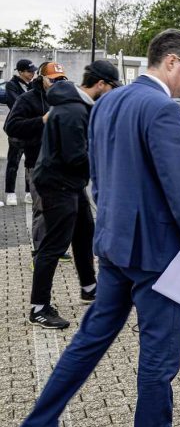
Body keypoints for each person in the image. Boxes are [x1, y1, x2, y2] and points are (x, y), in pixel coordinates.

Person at [11, 29, 180, 427]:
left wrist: (108, 223)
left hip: (115, 245)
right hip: (155, 254)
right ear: (172, 62)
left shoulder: (108, 102)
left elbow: (99, 173)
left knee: (90, 339)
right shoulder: (162, 109)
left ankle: (39, 424)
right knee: (160, 351)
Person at [26, 60, 120, 329]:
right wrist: (106, 156)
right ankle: (39, 307)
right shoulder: (72, 111)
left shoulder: (79, 107)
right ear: (100, 84)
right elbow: (74, 157)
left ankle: (89, 287)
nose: (113, 93)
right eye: (112, 87)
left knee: (83, 233)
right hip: (57, 184)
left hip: (71, 183)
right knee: (53, 245)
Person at [5, 62, 66, 208]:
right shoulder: (27, 98)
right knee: (42, 212)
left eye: (60, 80)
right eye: (52, 80)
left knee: (61, 211)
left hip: (61, 164)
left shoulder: (64, 97)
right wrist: (42, 120)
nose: (56, 84)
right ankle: (11, 192)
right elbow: (11, 126)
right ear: (42, 78)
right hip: (38, 163)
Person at [3, 59, 36, 206]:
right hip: (17, 129)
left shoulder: (33, 85)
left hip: (31, 128)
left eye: (33, 71)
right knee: (13, 162)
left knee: (30, 163)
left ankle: (29, 193)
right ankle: (10, 193)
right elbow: (16, 104)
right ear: (21, 72)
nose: (32, 74)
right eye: (29, 71)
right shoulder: (12, 85)